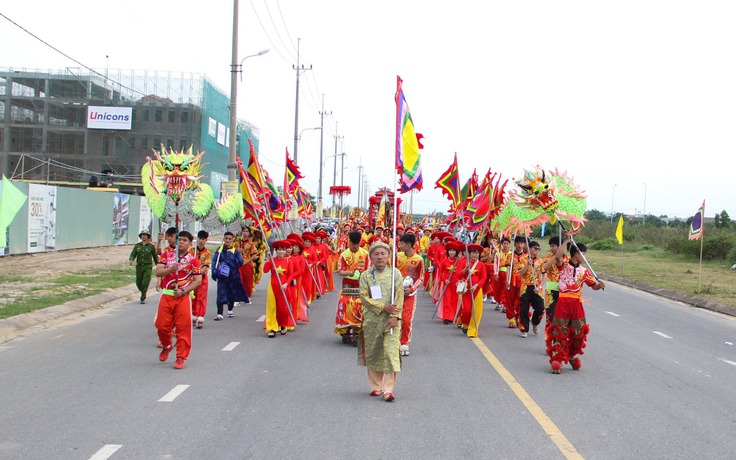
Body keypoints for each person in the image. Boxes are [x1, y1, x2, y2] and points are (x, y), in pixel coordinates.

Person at [546, 233, 605, 374]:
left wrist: (600, 285)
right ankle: (557, 360)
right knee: (560, 331)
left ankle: (571, 356)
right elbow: (558, 256)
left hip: (577, 305)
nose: (584, 256)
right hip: (563, 302)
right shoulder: (564, 266)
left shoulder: (584, 272)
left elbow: (593, 286)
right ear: (575, 254)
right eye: (582, 253)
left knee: (579, 333)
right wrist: (566, 240)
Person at [358, 241, 404, 402]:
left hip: (391, 321)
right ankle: (375, 386)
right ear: (370, 257)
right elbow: (364, 297)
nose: (380, 257)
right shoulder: (365, 276)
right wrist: (383, 307)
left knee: (391, 353)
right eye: (376, 254)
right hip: (372, 320)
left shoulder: (395, 274)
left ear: (388, 256)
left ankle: (388, 389)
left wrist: (394, 316)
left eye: (383, 254)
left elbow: (399, 296)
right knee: (374, 352)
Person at [154, 231, 202, 370]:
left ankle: (181, 356)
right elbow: (158, 272)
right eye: (179, 239)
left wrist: (183, 291)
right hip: (166, 296)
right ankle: (167, 345)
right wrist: (171, 269)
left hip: (182, 298)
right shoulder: (167, 255)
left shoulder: (193, 260)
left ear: (189, 244)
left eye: (184, 240)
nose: (181, 242)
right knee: (161, 325)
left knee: (183, 328)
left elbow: (197, 281)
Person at [335, 231, 370, 342]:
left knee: (360, 305)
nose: (355, 246)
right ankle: (345, 330)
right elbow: (340, 271)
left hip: (361, 283)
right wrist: (348, 272)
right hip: (348, 283)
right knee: (346, 305)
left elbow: (368, 270)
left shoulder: (365, 254)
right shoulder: (344, 255)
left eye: (357, 244)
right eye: (353, 244)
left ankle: (359, 329)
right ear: (349, 242)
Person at [395, 233, 424, 356]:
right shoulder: (397, 256)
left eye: (401, 243)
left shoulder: (419, 259)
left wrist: (411, 289)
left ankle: (404, 343)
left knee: (406, 320)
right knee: (395, 318)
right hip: (396, 293)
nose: (399, 245)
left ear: (408, 245)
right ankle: (394, 342)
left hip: (410, 295)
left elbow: (421, 276)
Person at [211, 232, 248, 320]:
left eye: (229, 239)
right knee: (220, 293)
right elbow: (214, 262)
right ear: (223, 239)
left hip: (232, 275)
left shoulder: (235, 251)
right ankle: (219, 313)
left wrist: (233, 258)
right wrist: (215, 272)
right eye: (226, 238)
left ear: (232, 240)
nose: (227, 240)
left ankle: (230, 309)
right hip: (222, 276)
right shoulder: (219, 250)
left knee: (231, 293)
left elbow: (240, 263)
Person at [263, 240, 295, 337]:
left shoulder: (288, 261)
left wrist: (286, 284)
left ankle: (283, 325)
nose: (281, 252)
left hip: (283, 287)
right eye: (279, 250)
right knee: (272, 307)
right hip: (273, 285)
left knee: (282, 307)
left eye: (283, 250)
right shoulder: (272, 260)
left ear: (285, 251)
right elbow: (265, 270)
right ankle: (272, 328)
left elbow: (291, 275)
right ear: (276, 251)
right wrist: (268, 259)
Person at [457, 243, 487, 338]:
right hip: (466, 290)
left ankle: (473, 330)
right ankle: (465, 323)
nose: (475, 255)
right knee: (466, 310)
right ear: (469, 253)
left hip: (477, 290)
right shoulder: (464, 263)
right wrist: (466, 268)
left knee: (476, 311)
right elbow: (458, 275)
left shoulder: (481, 265)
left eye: (477, 253)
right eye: (473, 252)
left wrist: (477, 285)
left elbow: (484, 277)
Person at [517, 240, 545, 338]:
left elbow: (544, 275)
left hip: (536, 286)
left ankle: (535, 322)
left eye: (538, 249)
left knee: (541, 308)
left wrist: (540, 286)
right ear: (529, 249)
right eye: (535, 248)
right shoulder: (523, 259)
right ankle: (524, 329)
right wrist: (527, 264)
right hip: (525, 286)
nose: (537, 250)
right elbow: (520, 273)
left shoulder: (541, 261)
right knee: (524, 309)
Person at [542, 235, 567, 337]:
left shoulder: (568, 259)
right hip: (551, 292)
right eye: (550, 246)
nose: (551, 248)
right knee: (550, 316)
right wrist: (554, 257)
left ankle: (559, 339)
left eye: (554, 246)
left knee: (562, 318)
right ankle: (549, 340)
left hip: (563, 293)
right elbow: (545, 268)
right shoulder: (548, 257)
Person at [129, 230, 158, 303]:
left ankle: (143, 296)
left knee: (145, 281)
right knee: (138, 282)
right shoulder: (137, 245)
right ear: (140, 236)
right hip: (139, 266)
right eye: (142, 235)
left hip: (147, 266)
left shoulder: (151, 246)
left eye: (145, 235)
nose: (144, 236)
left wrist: (158, 265)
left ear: (148, 237)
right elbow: (133, 253)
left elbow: (155, 256)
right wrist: (131, 259)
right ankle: (143, 291)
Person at [191, 230, 211, 329]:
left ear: (206, 240)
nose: (201, 241)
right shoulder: (191, 251)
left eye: (203, 239)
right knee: (193, 296)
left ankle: (200, 316)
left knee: (201, 297)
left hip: (202, 278)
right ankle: (193, 315)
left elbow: (206, 266)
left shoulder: (207, 253)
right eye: (200, 239)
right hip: (191, 278)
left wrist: (198, 273)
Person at [235, 227, 258, 302]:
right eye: (244, 231)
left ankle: (248, 296)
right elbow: (231, 252)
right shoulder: (236, 243)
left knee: (248, 281)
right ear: (241, 232)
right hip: (237, 264)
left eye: (247, 231)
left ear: (249, 233)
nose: (245, 233)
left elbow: (255, 255)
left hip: (247, 264)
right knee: (237, 280)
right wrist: (237, 251)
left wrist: (248, 261)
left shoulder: (251, 244)